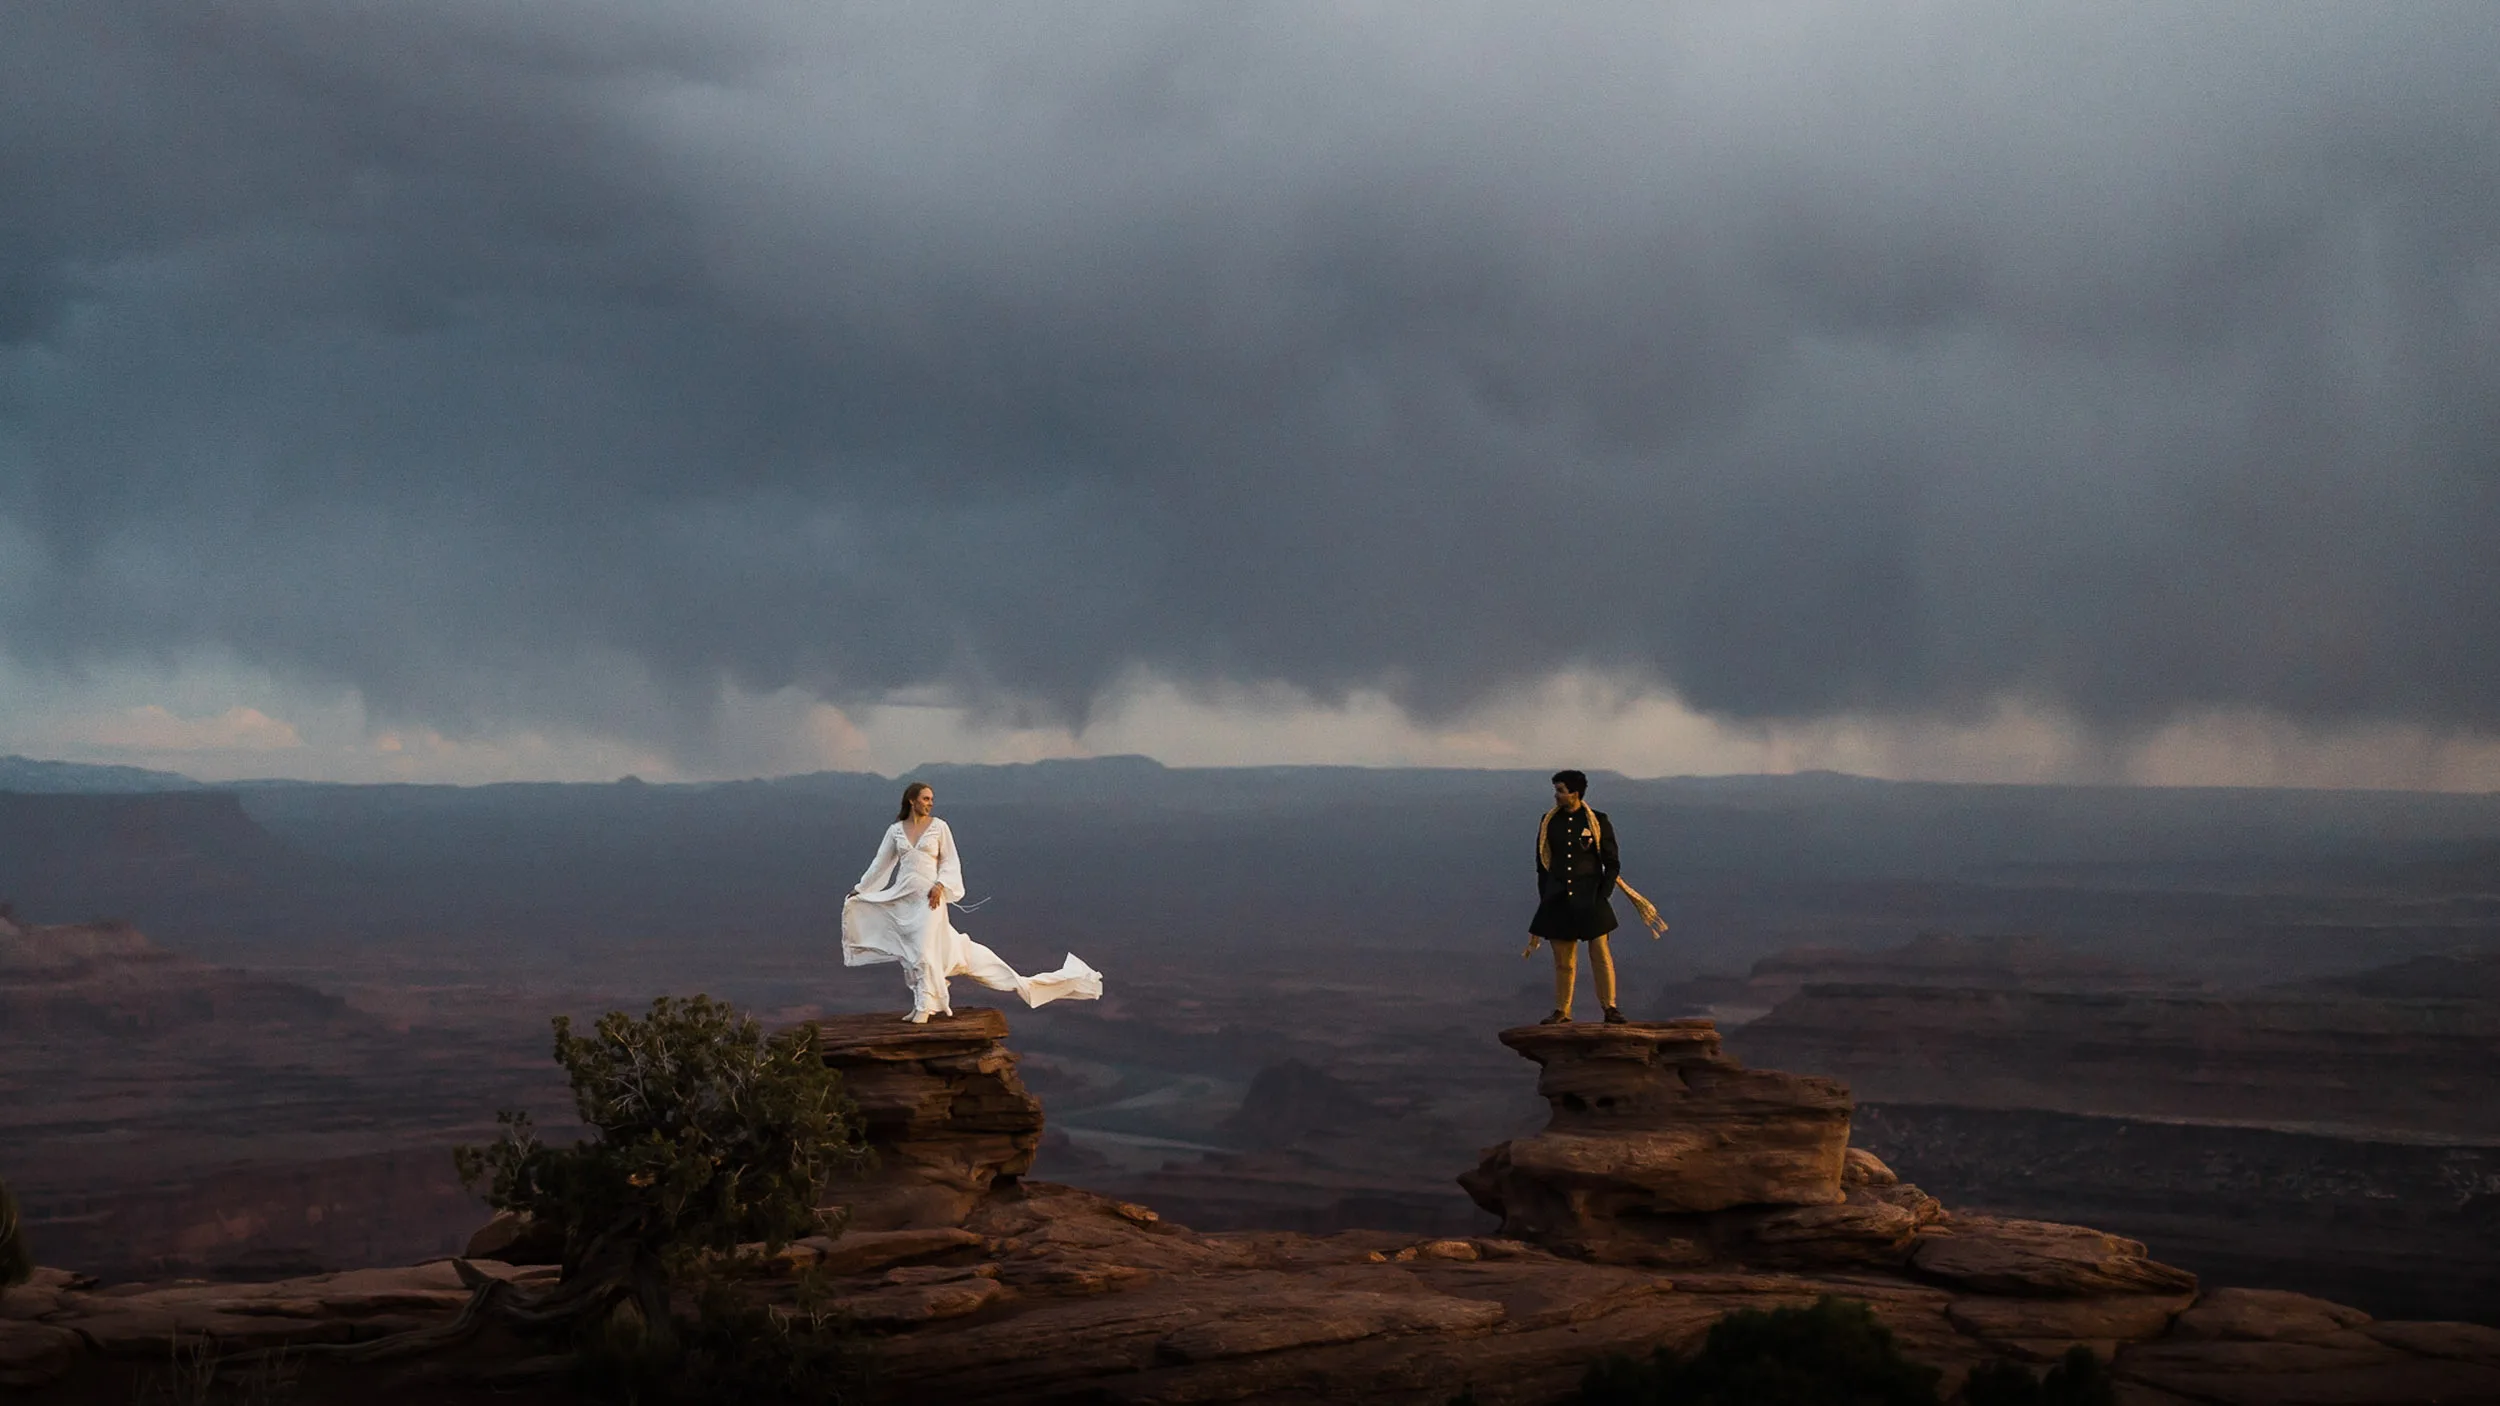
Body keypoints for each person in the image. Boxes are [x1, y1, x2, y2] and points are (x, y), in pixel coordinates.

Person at [842, 781, 1103, 1023]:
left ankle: (925, 1006)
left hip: (930, 901)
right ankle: (923, 1001)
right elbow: (880, 864)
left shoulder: (939, 827)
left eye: (932, 799)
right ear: (911, 801)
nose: (930, 802)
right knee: (912, 954)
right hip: (904, 899)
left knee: (922, 951)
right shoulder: (895, 831)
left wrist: (941, 885)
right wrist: (861, 889)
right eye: (925, 798)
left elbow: (950, 861)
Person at [1526, 770, 1666, 1025]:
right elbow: (1542, 863)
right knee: (1564, 960)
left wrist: (1604, 894)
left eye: (1560, 790)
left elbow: (1612, 863)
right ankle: (1562, 1011)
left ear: (1574, 794)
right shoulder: (1548, 821)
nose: (1556, 796)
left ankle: (1610, 1008)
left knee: (1600, 953)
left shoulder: (1597, 821)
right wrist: (1545, 894)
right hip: (1558, 899)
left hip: (1591, 897)